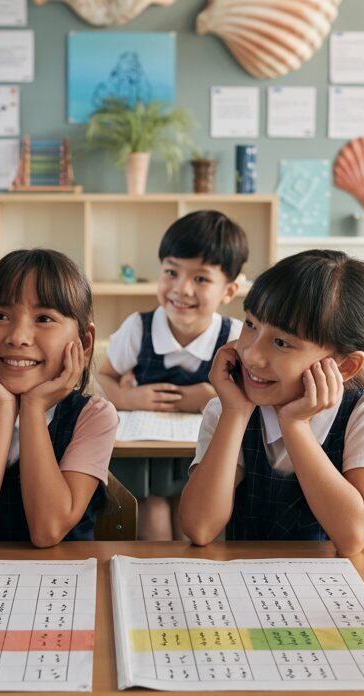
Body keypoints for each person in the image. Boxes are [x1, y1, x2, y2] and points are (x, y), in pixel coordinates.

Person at [180, 250, 364, 555]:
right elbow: (199, 527)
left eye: (281, 343)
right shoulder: (229, 407)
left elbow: (353, 536)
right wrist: (235, 414)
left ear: (344, 367)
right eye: (250, 324)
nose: (251, 354)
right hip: (256, 589)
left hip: (344, 594)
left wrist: (295, 425)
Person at [0, 249, 118, 547]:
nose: (18, 337)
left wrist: (32, 407)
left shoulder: (94, 416)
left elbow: (48, 530)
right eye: (0, 316)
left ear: (85, 342)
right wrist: (2, 409)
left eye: (44, 318)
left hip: (64, 583)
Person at [97, 210, 248, 540]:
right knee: (153, 511)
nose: (182, 289)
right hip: (143, 461)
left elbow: (249, 397)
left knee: (189, 517)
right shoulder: (139, 328)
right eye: (171, 272)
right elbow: (103, 377)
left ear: (229, 290)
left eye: (201, 279)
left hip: (202, 458)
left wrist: (210, 397)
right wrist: (125, 396)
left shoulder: (236, 338)